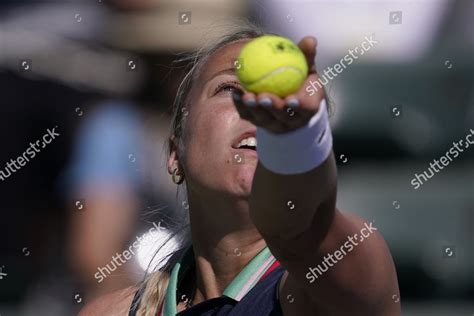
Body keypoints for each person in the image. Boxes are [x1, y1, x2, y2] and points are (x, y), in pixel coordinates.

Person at [79, 21, 400, 316]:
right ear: (176, 154)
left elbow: (310, 229)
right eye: (230, 89)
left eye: (282, 97)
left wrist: (300, 144)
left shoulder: (337, 268)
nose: (259, 109)